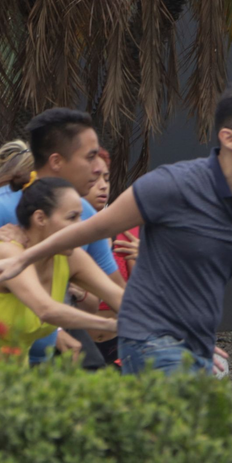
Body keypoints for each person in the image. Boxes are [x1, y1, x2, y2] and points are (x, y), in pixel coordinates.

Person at [0, 83, 232, 375]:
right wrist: (20, 259)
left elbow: (112, 285)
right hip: (154, 344)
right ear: (229, 138)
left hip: (192, 341)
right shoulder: (171, 186)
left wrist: (192, 333)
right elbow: (91, 231)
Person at [0, 109, 123, 366]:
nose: (97, 166)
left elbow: (118, 292)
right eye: (89, 157)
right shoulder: (0, 207)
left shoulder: (85, 220)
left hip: (28, 362)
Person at [0, 178, 123, 365]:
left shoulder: (71, 257)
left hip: (8, 381)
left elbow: (119, 296)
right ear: (40, 218)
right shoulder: (8, 253)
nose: (81, 225)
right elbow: (46, 310)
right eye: (72, 217)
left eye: (81, 217)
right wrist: (111, 325)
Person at [79, 147, 139, 365]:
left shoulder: (125, 232)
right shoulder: (59, 235)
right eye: (94, 179)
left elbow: (138, 295)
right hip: (74, 343)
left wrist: (146, 260)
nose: (103, 185)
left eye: (106, 178)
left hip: (118, 344)